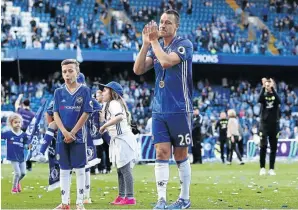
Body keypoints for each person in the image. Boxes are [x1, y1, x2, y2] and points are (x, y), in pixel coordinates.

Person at [133, 9, 193, 209]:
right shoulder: (154, 47)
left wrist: (154, 42)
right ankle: (161, 199)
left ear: (176, 26)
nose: (163, 25)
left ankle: (184, 199)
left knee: (180, 155)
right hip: (159, 110)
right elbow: (138, 70)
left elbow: (166, 62)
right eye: (161, 21)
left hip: (180, 109)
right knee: (161, 153)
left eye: (167, 22)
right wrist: (145, 44)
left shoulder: (184, 45)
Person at [53, 59, 93, 210]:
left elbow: (86, 113)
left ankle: (80, 202)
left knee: (80, 169)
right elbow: (55, 113)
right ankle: (64, 202)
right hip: (62, 136)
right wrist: (64, 132)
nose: (67, 74)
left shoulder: (84, 91)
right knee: (64, 169)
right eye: (64, 71)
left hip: (78, 136)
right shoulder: (58, 92)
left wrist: (73, 132)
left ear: (77, 72)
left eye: (70, 71)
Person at [99, 81, 138, 205]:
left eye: (105, 90)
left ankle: (130, 197)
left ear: (112, 93)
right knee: (120, 169)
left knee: (125, 169)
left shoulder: (114, 103)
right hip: (118, 139)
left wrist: (105, 125)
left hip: (123, 138)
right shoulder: (108, 104)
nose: (102, 92)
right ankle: (122, 196)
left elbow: (119, 116)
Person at [258, 78, 281, 176]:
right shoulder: (264, 95)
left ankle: (271, 168)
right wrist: (263, 88)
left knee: (273, 147)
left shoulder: (275, 96)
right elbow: (259, 100)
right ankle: (262, 167)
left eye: (269, 85)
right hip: (264, 124)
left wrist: (273, 89)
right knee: (263, 145)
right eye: (266, 85)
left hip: (274, 124)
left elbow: (279, 101)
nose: (268, 87)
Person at [2, 113, 29, 193]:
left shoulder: (24, 135)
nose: (17, 124)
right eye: (15, 122)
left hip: (21, 157)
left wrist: (28, 146)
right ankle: (14, 188)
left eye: (19, 122)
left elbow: (26, 144)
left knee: (23, 173)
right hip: (13, 157)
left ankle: (17, 182)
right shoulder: (8, 134)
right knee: (17, 173)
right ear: (11, 123)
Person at [15, 94, 35, 171]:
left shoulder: (20, 110)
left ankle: (20, 166)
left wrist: (19, 96)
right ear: (29, 104)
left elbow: (16, 104)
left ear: (23, 104)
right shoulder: (32, 114)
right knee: (28, 149)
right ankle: (29, 166)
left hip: (20, 132)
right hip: (28, 133)